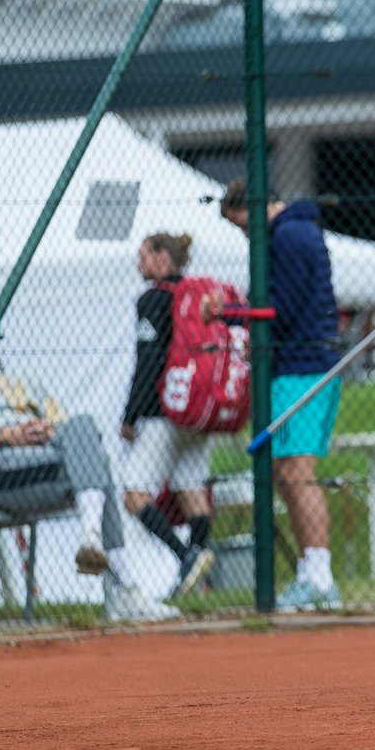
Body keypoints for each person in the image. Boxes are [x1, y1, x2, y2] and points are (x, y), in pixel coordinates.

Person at [0, 337, 179, 622]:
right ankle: (125, 587)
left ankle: (93, 538)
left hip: (38, 466)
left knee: (84, 427)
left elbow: (65, 428)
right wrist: (3, 435)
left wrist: (48, 431)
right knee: (98, 467)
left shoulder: (17, 378)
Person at [220, 178, 343, 611]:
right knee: (288, 472)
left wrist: (230, 313)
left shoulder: (289, 235)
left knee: (296, 472)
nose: (246, 237)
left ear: (253, 210)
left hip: (303, 369)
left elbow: (281, 308)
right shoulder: (295, 231)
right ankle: (313, 573)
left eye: (242, 226)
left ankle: (320, 578)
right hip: (302, 367)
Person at [121, 233, 217, 600]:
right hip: (195, 410)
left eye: (143, 256)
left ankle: (185, 557)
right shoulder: (196, 297)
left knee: (134, 494)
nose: (138, 263)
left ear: (162, 258)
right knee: (192, 492)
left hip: (160, 413)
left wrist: (131, 415)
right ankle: (196, 579)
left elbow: (148, 361)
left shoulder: (154, 298)